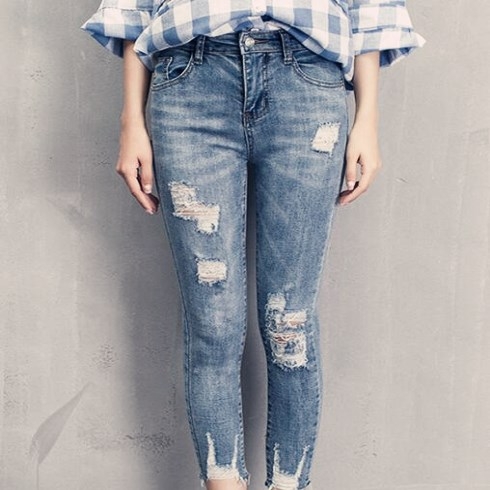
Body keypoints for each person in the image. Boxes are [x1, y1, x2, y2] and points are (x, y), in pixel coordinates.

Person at [81, 1, 425, 489]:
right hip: (190, 82)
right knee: (213, 325)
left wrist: (367, 118)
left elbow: (369, 9)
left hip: (306, 82)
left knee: (290, 322)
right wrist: (130, 120)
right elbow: (133, 9)